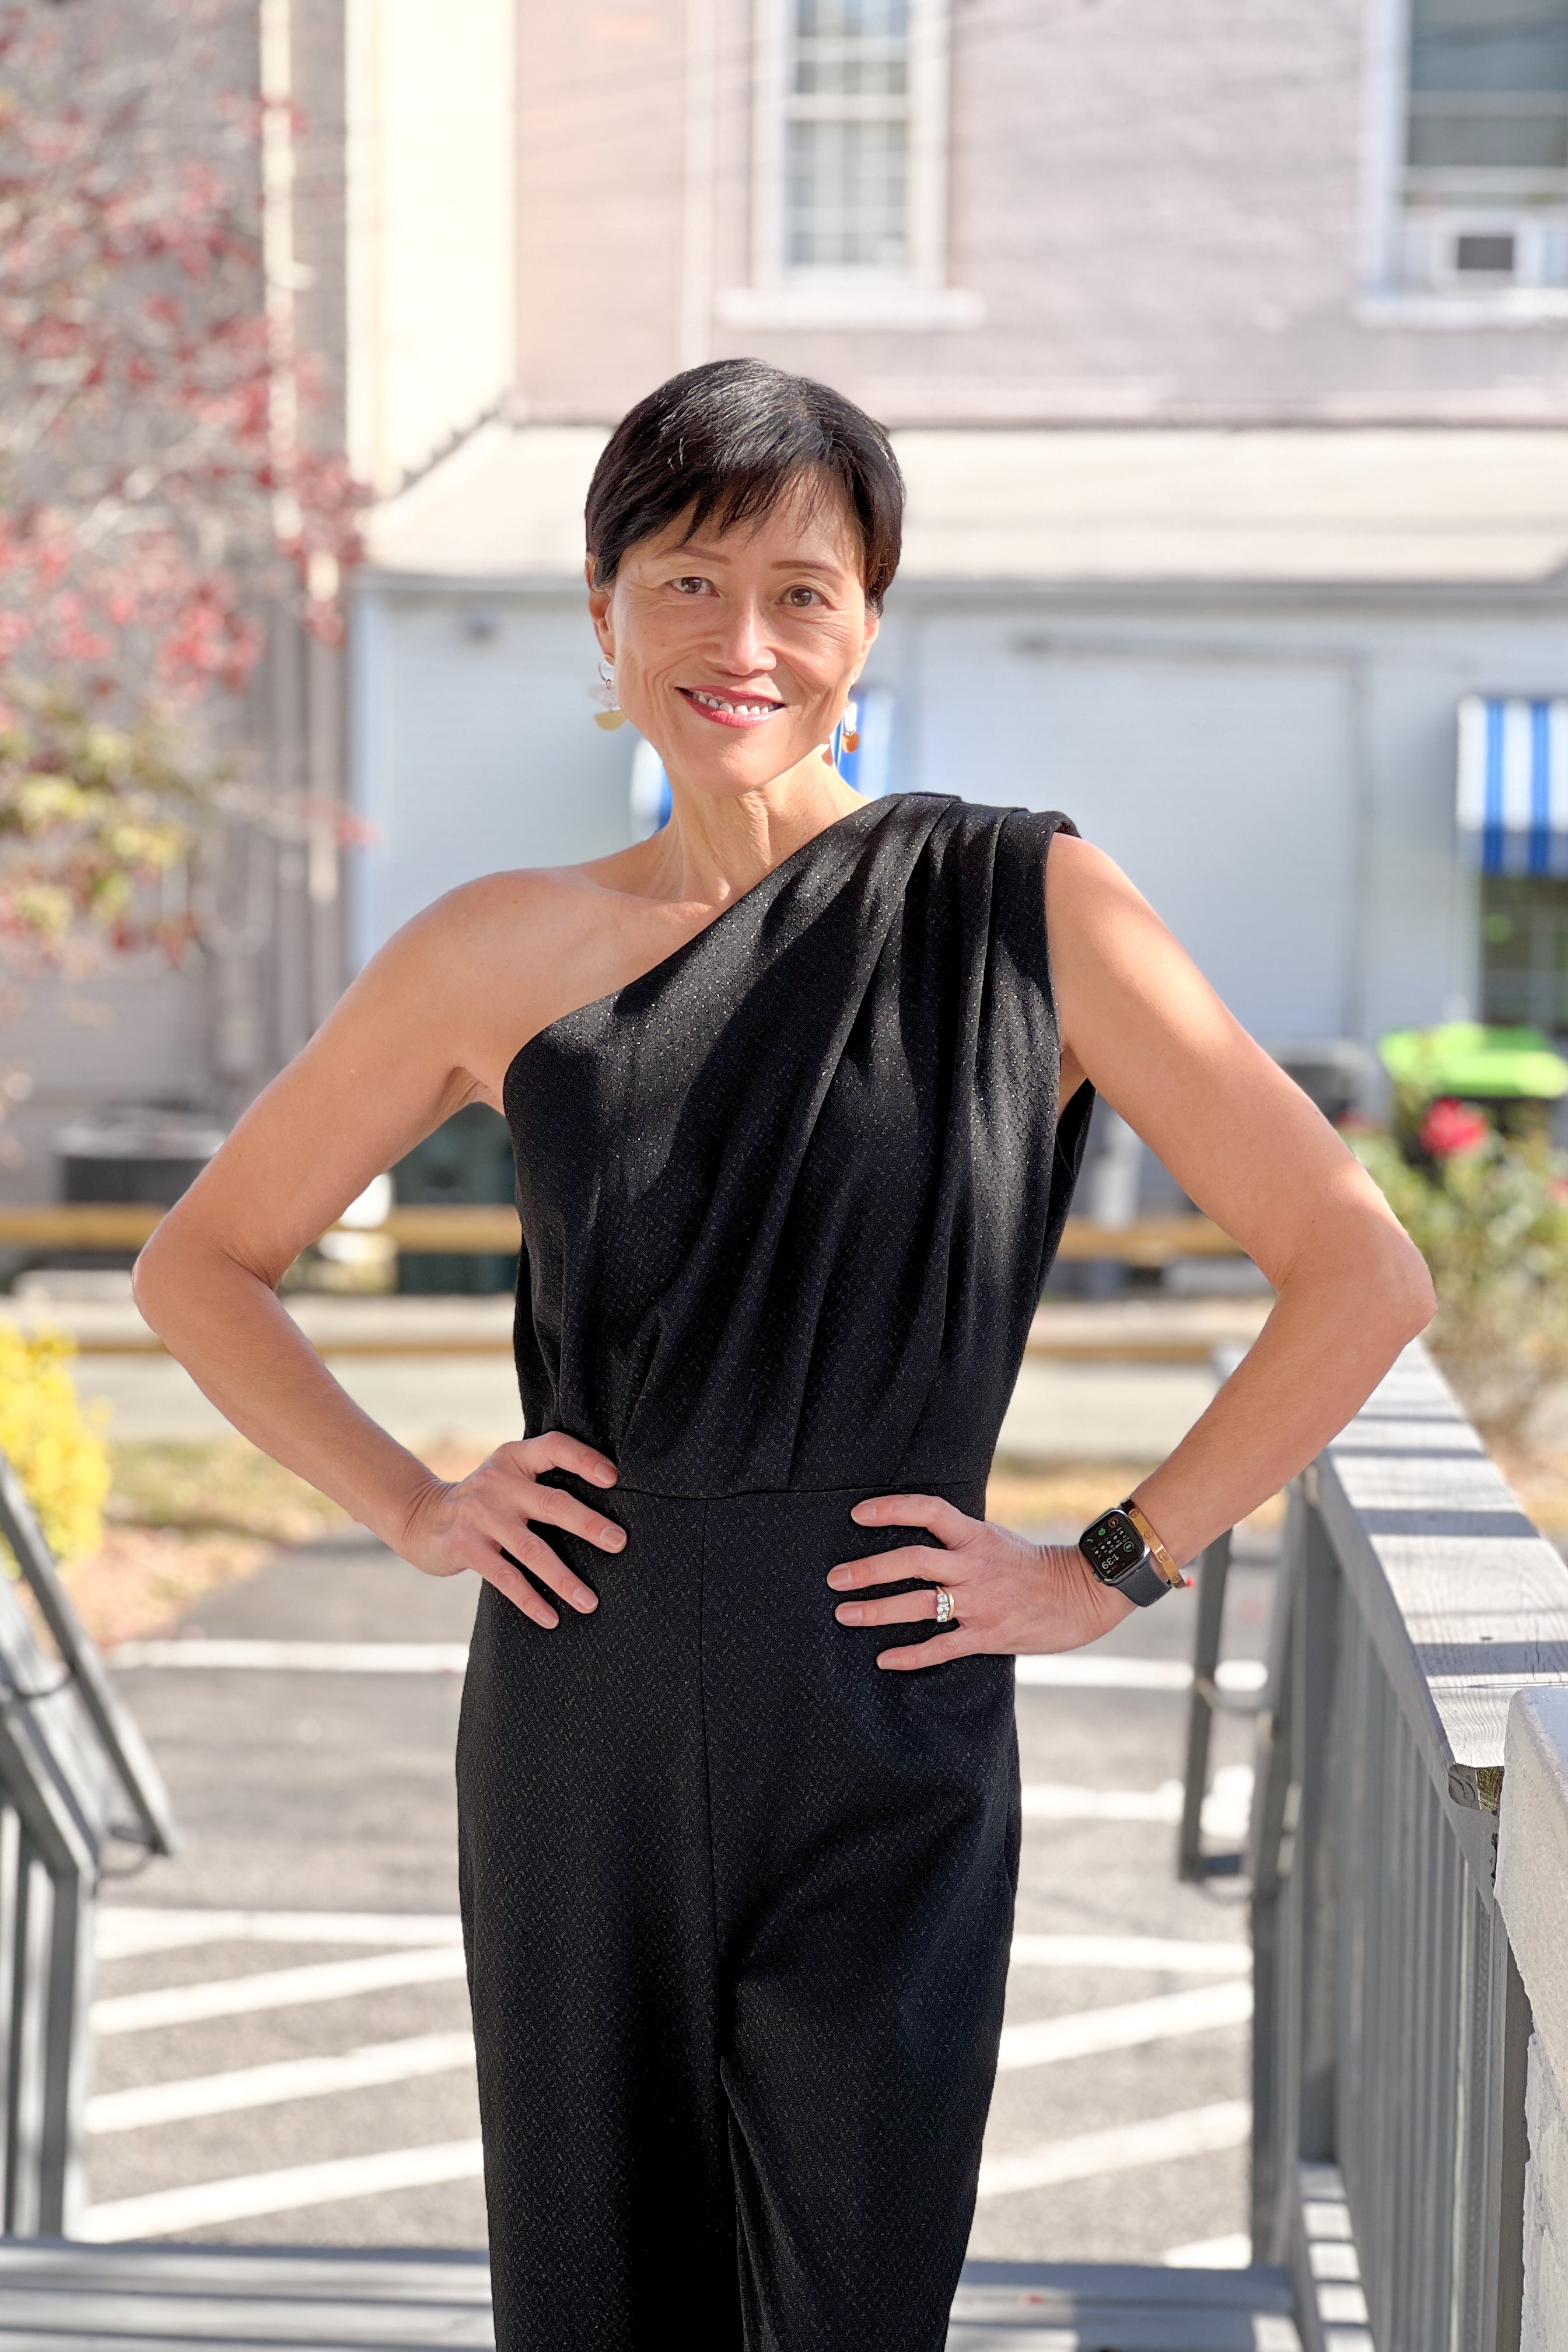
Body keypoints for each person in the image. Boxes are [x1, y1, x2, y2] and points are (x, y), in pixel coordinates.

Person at [134, 357, 1433, 2351]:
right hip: (581, 1705)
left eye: (801, 592)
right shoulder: (493, 947)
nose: (742, 642)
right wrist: (411, 1503)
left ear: (866, 629)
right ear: (605, 615)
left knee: (852, 2301)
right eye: (686, 582)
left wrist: (1108, 1566)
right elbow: (202, 1265)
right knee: (598, 2298)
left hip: (884, 1703)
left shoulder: (1024, 906)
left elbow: (1359, 1271)